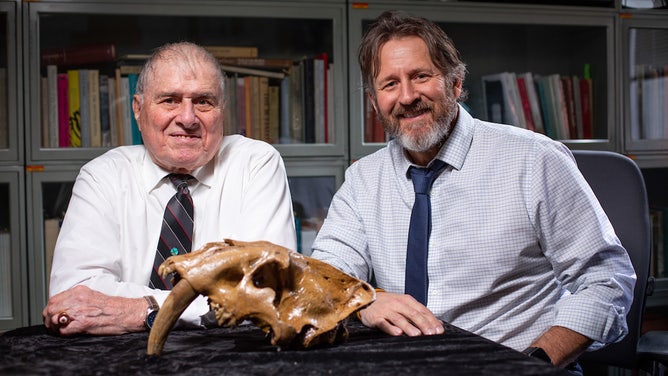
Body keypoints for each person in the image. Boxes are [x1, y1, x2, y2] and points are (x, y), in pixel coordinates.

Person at [310, 10, 635, 373]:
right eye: (389, 84)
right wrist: (363, 300)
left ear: (455, 83)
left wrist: (535, 362)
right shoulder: (362, 181)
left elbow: (606, 281)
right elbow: (322, 275)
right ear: (374, 102)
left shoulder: (533, 159)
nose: (407, 96)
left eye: (420, 76)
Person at [43, 42, 297, 336]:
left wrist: (141, 311)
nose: (187, 118)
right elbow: (72, 299)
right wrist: (206, 305)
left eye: (203, 101)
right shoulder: (103, 176)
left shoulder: (256, 164)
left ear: (222, 111)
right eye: (169, 100)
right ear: (138, 109)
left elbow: (269, 291)